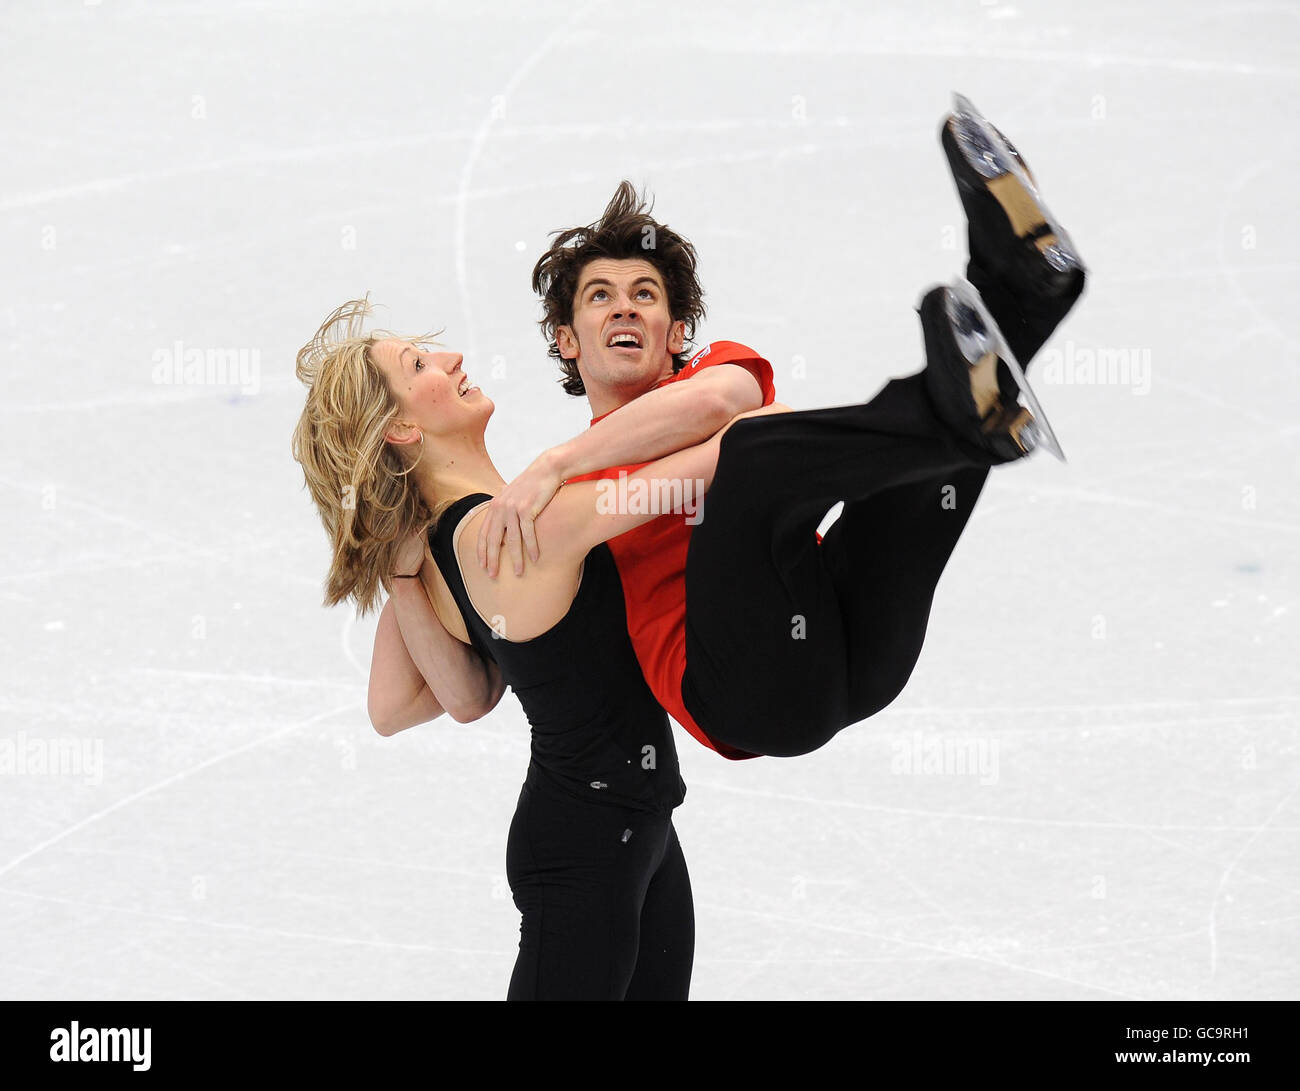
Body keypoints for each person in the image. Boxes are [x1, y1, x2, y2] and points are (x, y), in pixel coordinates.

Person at [468, 93, 1086, 758]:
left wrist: (559, 461)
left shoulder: (703, 375)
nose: (624, 309)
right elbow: (433, 688)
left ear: (676, 331)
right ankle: (969, 394)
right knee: (779, 449)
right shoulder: (556, 495)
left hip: (851, 642)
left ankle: (1022, 295)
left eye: (644, 294)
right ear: (568, 340)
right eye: (601, 297)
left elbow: (716, 405)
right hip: (746, 693)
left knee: (881, 456)